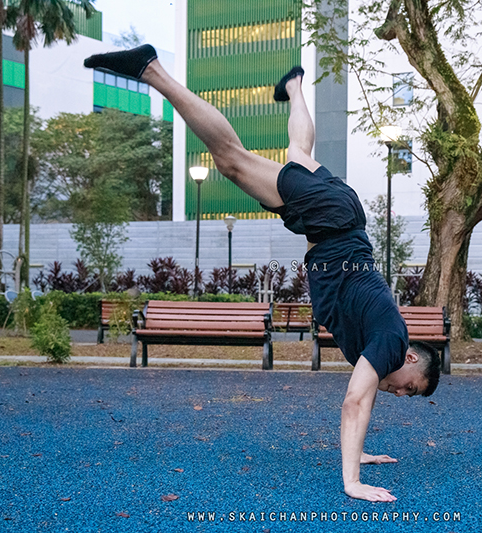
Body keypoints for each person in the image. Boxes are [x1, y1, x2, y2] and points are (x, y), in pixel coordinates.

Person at [84, 45, 441, 503]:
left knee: (297, 152)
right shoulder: (392, 343)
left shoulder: (380, 342)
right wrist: (352, 482)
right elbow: (355, 401)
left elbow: (364, 400)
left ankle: (295, 86)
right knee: (231, 160)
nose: (399, 395)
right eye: (409, 391)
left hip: (339, 215)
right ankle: (151, 70)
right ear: (411, 360)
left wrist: (361, 453)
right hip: (330, 218)